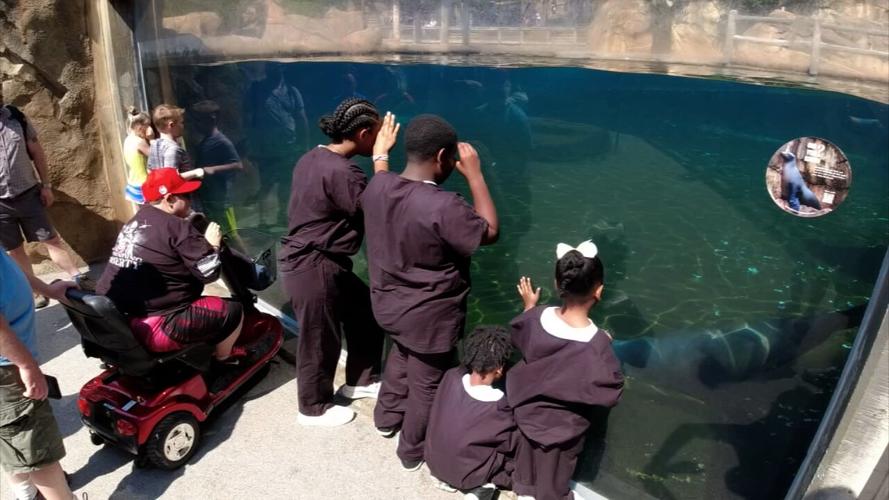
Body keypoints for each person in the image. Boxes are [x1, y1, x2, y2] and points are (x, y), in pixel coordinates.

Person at [361, 114, 499, 471]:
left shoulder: (378, 187)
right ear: (442, 158)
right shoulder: (444, 205)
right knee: (426, 383)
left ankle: (386, 419)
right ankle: (411, 452)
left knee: (401, 357)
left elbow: (382, 175)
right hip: (429, 318)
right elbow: (490, 231)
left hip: (388, 306)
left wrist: (380, 154)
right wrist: (476, 176)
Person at [279, 98, 398, 427]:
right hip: (315, 263)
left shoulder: (312, 157)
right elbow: (379, 208)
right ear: (362, 134)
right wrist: (381, 157)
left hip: (316, 260)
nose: (378, 139)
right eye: (375, 134)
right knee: (319, 338)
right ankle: (313, 407)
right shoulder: (343, 172)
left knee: (365, 313)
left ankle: (360, 380)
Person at [508, 240, 624, 500]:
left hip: (526, 414)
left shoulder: (536, 317)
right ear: (600, 291)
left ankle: (524, 491)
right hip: (562, 430)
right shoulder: (597, 346)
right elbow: (610, 392)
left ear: (556, 283)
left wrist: (529, 306)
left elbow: (521, 336)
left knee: (526, 459)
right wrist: (605, 341)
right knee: (555, 473)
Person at [96, 168, 244, 362]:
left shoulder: (136, 220)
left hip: (123, 323)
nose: (190, 200)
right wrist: (213, 244)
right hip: (160, 327)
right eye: (187, 195)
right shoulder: (178, 227)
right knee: (234, 310)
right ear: (170, 199)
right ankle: (225, 359)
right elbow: (210, 273)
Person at [0, 86, 95, 308]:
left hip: (27, 194)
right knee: (14, 250)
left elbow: (37, 152)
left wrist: (46, 186)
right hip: (1, 204)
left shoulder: (16, 117)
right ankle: (34, 291)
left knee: (51, 240)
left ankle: (77, 278)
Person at [0, 250, 81, 500]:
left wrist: (48, 290)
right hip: (6, 369)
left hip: (11, 359)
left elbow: (8, 269)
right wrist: (25, 365)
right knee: (38, 453)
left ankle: (28, 492)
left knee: (14, 440)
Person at [425, 326, 516, 500]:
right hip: (466, 474)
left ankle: (442, 477)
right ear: (499, 370)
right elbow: (508, 445)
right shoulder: (500, 405)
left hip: (434, 461)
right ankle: (481, 488)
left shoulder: (451, 377)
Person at [189, 100, 243, 233]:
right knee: (219, 232)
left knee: (231, 234)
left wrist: (213, 169)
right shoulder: (206, 141)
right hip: (211, 197)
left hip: (222, 200)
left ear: (211, 119)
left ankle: (246, 255)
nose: (195, 125)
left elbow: (238, 165)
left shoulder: (222, 141)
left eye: (198, 121)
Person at [147, 104, 194, 175]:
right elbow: (170, 178)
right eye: (181, 122)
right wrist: (197, 173)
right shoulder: (173, 149)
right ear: (171, 125)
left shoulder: (154, 144)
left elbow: (149, 170)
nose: (183, 126)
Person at [122, 107, 154, 204]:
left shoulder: (128, 140)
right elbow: (156, 157)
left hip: (132, 184)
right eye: (148, 126)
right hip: (143, 186)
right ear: (140, 128)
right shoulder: (140, 142)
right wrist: (152, 139)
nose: (150, 129)